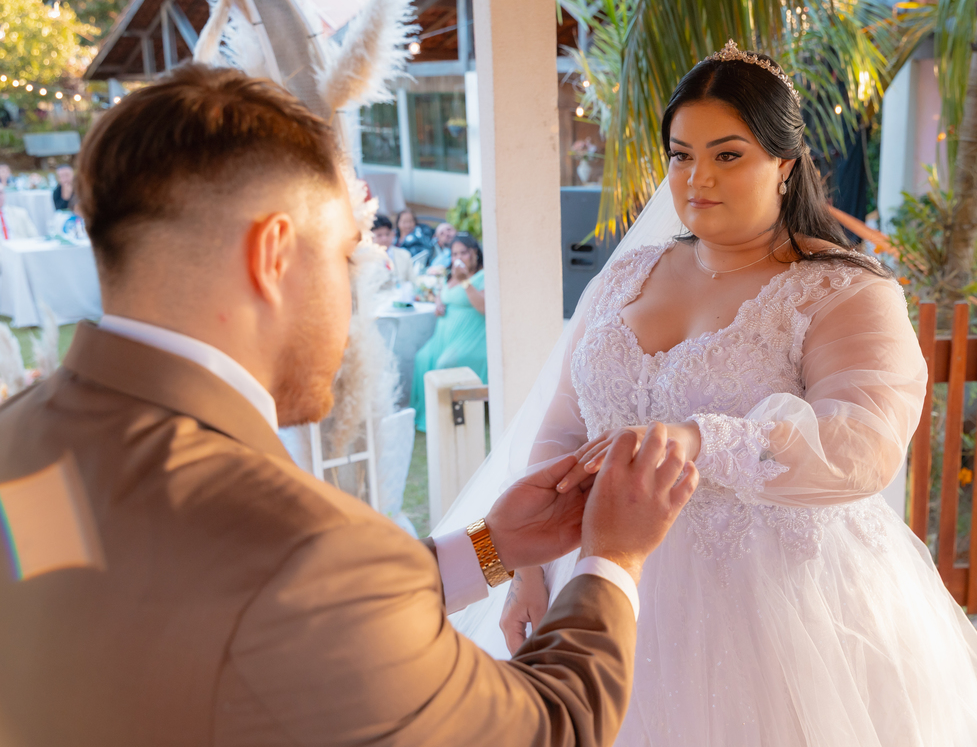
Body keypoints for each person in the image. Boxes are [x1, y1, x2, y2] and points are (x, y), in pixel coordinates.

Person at [0, 64, 700, 747]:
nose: (351, 297)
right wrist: (612, 556)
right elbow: (552, 728)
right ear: (273, 255)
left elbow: (207, 600)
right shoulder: (311, 549)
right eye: (345, 256)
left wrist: (490, 548)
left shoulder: (19, 441)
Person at [445, 42, 977, 745]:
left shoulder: (842, 290)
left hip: (776, 605)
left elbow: (863, 447)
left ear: (784, 166)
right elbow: (564, 431)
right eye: (680, 155)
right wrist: (528, 572)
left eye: (728, 155)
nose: (697, 179)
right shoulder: (628, 273)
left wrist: (704, 438)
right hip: (605, 580)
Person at [410, 234, 487, 431]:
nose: (459, 257)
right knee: (422, 358)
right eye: (454, 254)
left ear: (475, 254)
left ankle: (445, 418)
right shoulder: (452, 275)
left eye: (464, 252)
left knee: (445, 364)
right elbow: (443, 293)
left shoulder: (483, 276)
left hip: (471, 337)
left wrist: (465, 282)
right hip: (443, 337)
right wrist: (438, 302)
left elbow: (484, 307)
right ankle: (425, 415)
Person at [372, 213, 418, 285]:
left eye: (387, 234)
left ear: (393, 234)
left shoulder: (404, 255)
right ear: (371, 237)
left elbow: (412, 281)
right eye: (379, 235)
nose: (384, 239)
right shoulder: (365, 259)